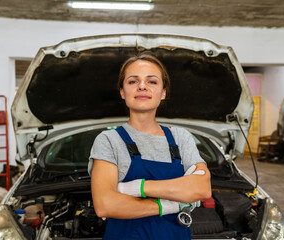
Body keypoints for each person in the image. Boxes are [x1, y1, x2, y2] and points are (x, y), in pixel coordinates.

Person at [89, 53, 211, 240]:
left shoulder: (180, 137)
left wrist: (136, 188)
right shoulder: (108, 141)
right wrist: (171, 205)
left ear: (163, 93)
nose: (142, 86)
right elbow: (106, 204)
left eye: (152, 81)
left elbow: (201, 189)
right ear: (122, 92)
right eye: (132, 81)